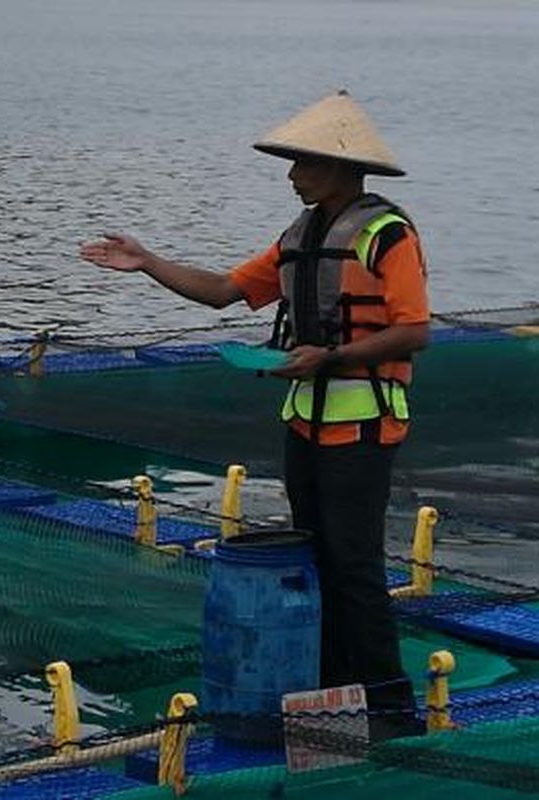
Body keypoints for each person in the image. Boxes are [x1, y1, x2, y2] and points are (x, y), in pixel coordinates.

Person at [80, 91, 429, 737]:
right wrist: (149, 262)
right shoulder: (300, 235)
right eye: (292, 164)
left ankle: (391, 711)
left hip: (364, 427)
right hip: (304, 424)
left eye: (304, 164)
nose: (293, 176)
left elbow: (413, 332)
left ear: (343, 168)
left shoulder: (387, 234)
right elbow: (223, 292)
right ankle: (332, 698)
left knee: (355, 568)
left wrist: (328, 357)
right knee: (315, 561)